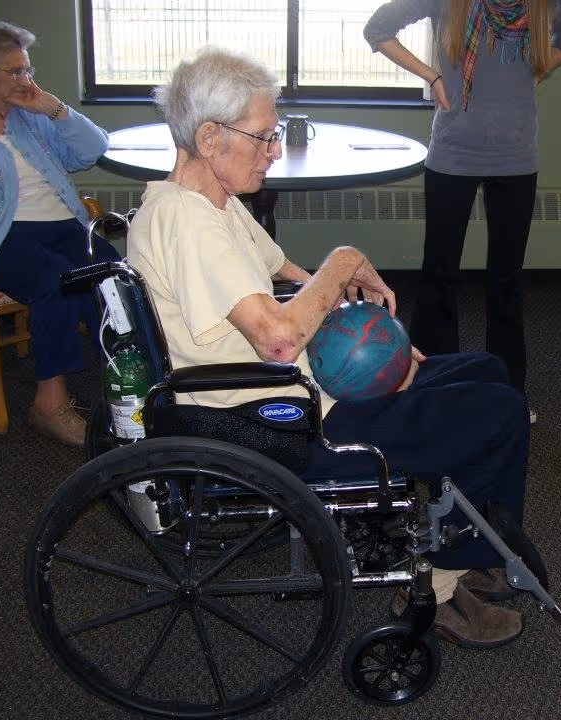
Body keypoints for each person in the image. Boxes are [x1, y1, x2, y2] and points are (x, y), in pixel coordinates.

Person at [126, 47, 531, 650]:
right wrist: (343, 261)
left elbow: (289, 276)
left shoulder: (216, 207)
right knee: (495, 412)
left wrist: (379, 343)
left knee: (486, 369)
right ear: (210, 138)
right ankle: (445, 585)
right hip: (281, 425)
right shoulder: (188, 226)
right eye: (262, 137)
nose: (273, 150)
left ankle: (473, 546)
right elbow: (281, 335)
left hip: (300, 391)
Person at [364, 0, 561, 423]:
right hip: (453, 155)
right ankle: (435, 387)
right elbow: (378, 28)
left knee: (506, 280)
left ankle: (508, 391)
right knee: (439, 275)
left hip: (516, 158)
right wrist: (432, 76)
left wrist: (537, 71)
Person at [0, 20, 119, 446]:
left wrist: (55, 108)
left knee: (115, 274)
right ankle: (49, 405)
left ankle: (125, 378)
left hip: (62, 222)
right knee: (57, 283)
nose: (26, 80)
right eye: (16, 72)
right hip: (1, 235)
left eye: (28, 69)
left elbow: (92, 150)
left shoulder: (32, 112)